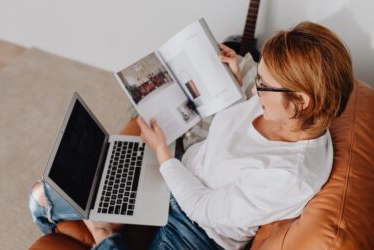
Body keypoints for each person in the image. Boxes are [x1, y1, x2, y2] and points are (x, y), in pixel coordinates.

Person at [29, 21, 354, 249]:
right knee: (47, 193)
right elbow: (242, 127)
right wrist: (235, 78)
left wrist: (163, 156)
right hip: (185, 167)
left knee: (90, 216)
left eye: (264, 84)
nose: (256, 88)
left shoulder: (289, 177)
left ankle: (105, 238)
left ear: (301, 100)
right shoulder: (284, 110)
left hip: (199, 230)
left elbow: (203, 208)